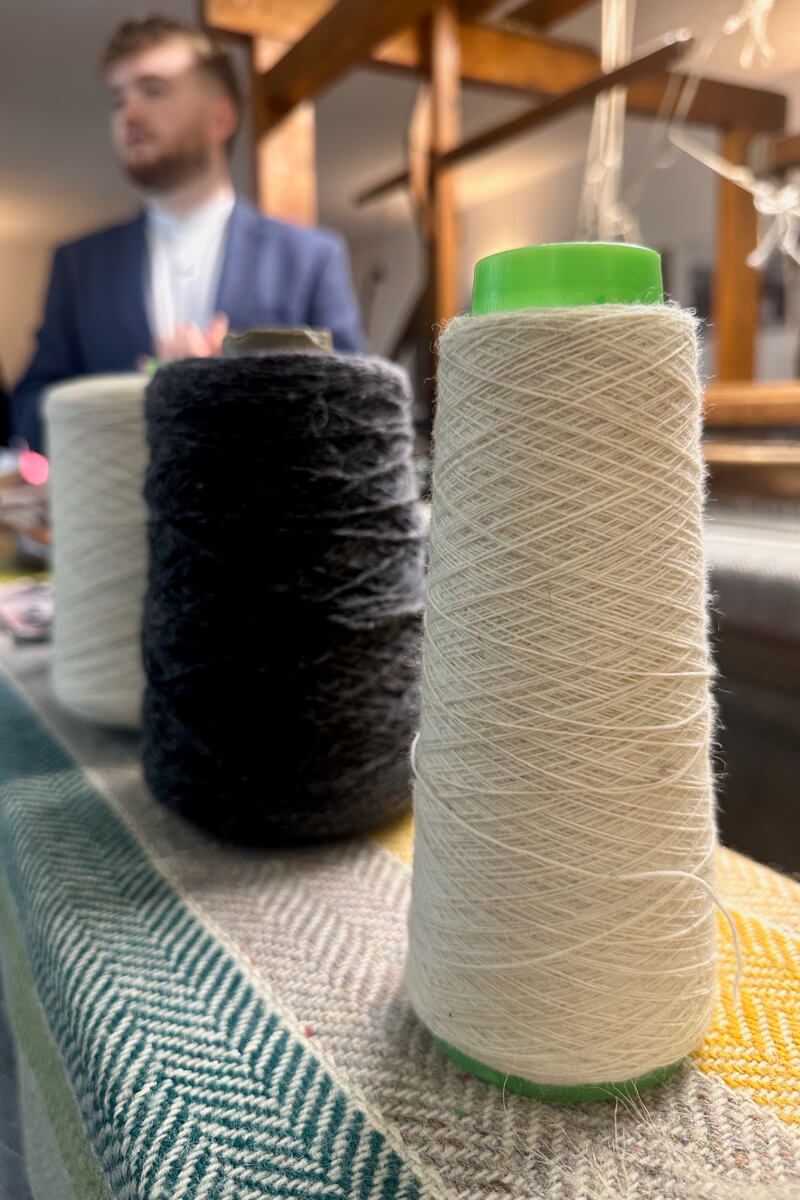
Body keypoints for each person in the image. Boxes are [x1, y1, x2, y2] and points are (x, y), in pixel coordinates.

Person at [10, 16, 365, 452]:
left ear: (220, 118)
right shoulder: (78, 265)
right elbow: (28, 409)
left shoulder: (310, 259)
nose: (129, 114)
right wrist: (140, 400)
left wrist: (233, 392)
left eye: (153, 90)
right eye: (117, 100)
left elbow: (358, 410)